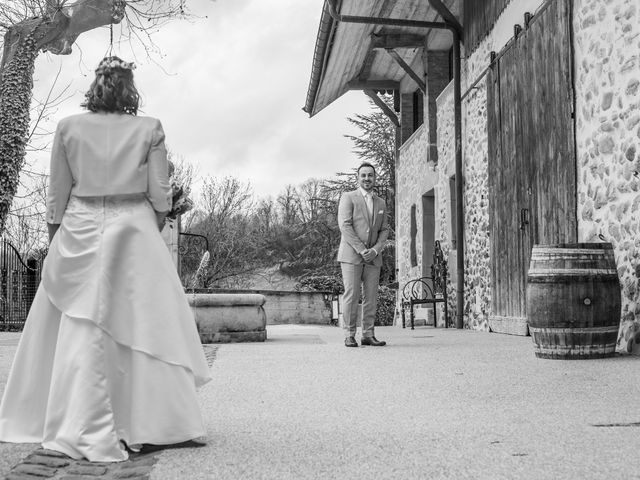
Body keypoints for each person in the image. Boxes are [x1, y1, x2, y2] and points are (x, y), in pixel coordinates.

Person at [0, 56, 211, 462]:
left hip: (79, 224)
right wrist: (147, 226)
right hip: (133, 226)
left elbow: (56, 196)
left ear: (95, 87)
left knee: (79, 323)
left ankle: (69, 417)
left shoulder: (68, 127)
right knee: (143, 320)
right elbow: (161, 194)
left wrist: (55, 240)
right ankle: (155, 421)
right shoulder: (149, 127)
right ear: (130, 88)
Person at [337, 162, 389, 347]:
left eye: (370, 175)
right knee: (351, 295)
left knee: (371, 296)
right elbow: (345, 225)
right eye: (363, 175)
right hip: (352, 255)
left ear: (375, 178)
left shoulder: (381, 203)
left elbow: (384, 230)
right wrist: (361, 249)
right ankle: (349, 334)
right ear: (358, 178)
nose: (367, 178)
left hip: (373, 257)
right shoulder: (348, 197)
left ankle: (368, 334)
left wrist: (375, 250)